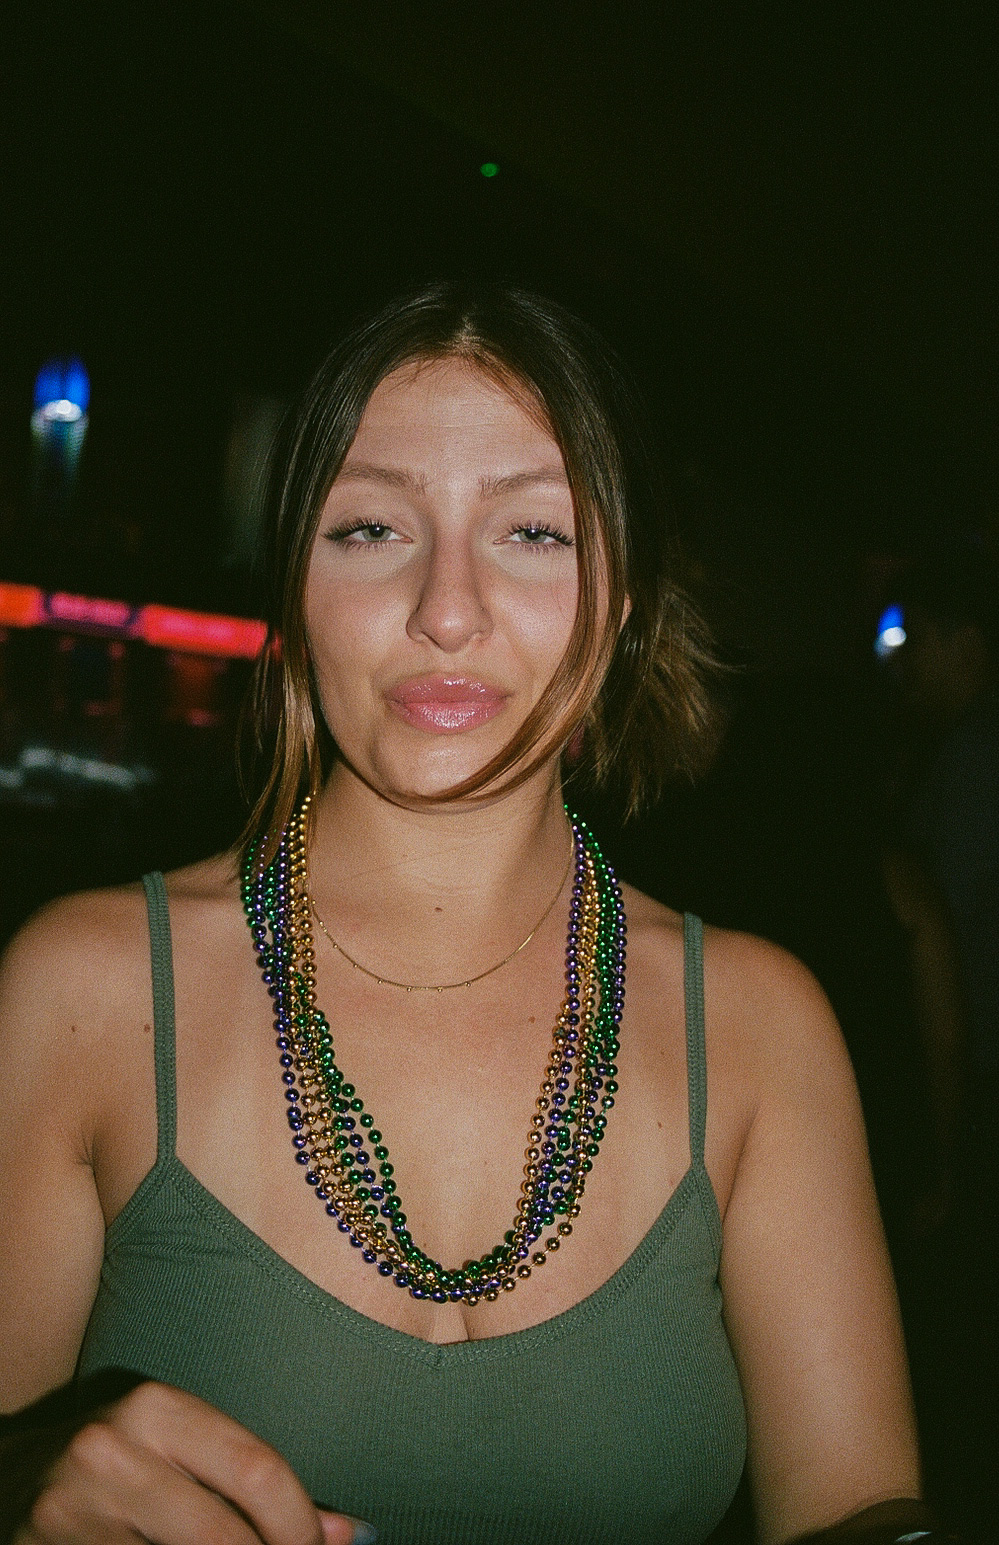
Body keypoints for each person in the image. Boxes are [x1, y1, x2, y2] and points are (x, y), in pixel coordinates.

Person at [0, 285, 949, 1545]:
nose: (446, 609)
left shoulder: (758, 1024)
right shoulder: (85, 990)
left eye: (534, 533)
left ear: (617, 609)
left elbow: (861, 1509)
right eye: (373, 526)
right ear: (293, 588)